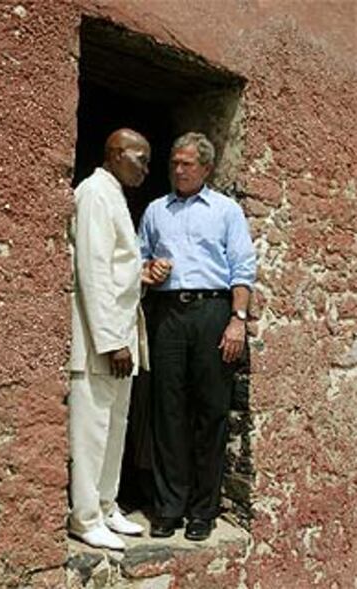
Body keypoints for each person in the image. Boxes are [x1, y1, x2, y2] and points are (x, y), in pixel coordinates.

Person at [139, 132, 256, 541]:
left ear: (205, 168)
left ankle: (202, 510)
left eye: (187, 163)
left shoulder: (226, 211)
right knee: (167, 410)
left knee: (211, 411)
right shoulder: (156, 210)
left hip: (213, 310)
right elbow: (139, 259)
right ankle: (169, 507)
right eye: (174, 162)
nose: (179, 169)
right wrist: (148, 271)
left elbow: (242, 267)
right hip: (168, 312)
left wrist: (237, 319)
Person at [68, 128, 152, 550]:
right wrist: (110, 340)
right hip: (102, 338)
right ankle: (84, 516)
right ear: (117, 154)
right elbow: (94, 270)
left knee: (116, 424)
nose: (147, 169)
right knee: (93, 426)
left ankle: (105, 504)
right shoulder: (95, 194)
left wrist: (143, 273)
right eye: (142, 159)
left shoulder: (115, 194)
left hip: (121, 333)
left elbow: (119, 268)